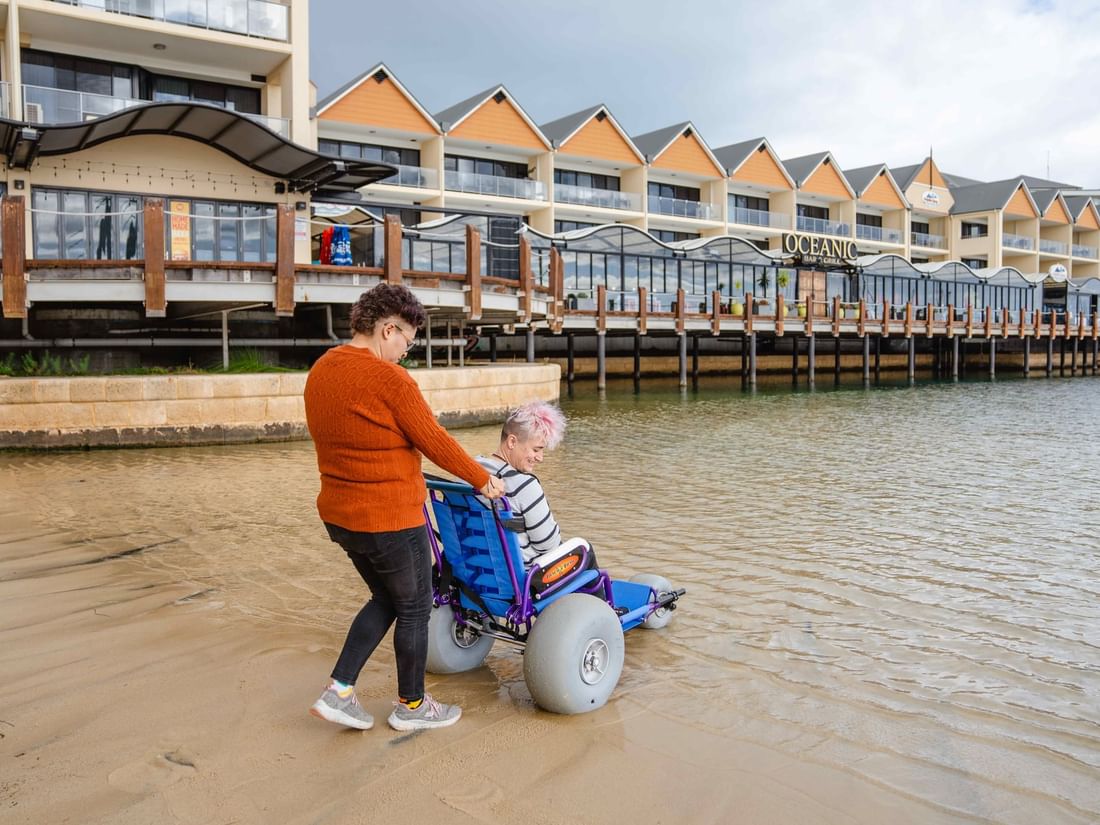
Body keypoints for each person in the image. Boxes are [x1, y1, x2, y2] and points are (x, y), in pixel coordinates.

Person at [304, 284, 504, 733]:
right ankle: (411, 706)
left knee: (386, 598)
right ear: (387, 328)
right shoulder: (389, 379)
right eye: (406, 342)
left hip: (340, 516)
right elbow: (434, 441)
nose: (405, 353)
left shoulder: (322, 369)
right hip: (389, 516)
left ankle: (339, 692)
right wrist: (483, 479)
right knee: (415, 607)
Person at [477, 401, 580, 568]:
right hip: (524, 581)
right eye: (536, 450)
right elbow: (549, 546)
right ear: (512, 442)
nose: (540, 458)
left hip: (476, 574)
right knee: (583, 550)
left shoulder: (471, 473)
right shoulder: (524, 485)